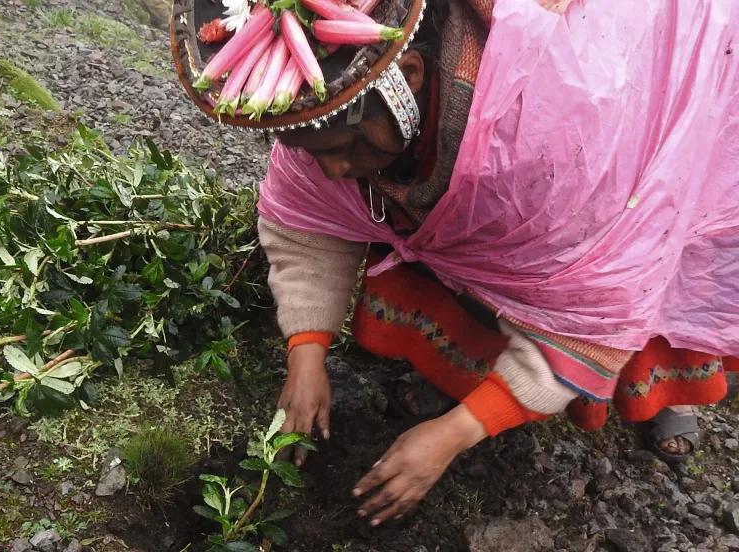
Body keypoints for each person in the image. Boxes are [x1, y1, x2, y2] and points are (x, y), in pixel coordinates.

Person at [173, 0, 739, 527]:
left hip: (652, 118)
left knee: (658, 267)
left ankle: (664, 399)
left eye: (345, 148)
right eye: (315, 153)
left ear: (413, 77)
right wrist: (306, 352)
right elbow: (305, 217)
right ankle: (465, 373)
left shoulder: (556, 148)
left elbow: (598, 306)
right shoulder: (335, 107)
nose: (339, 172)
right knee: (437, 234)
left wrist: (455, 434)